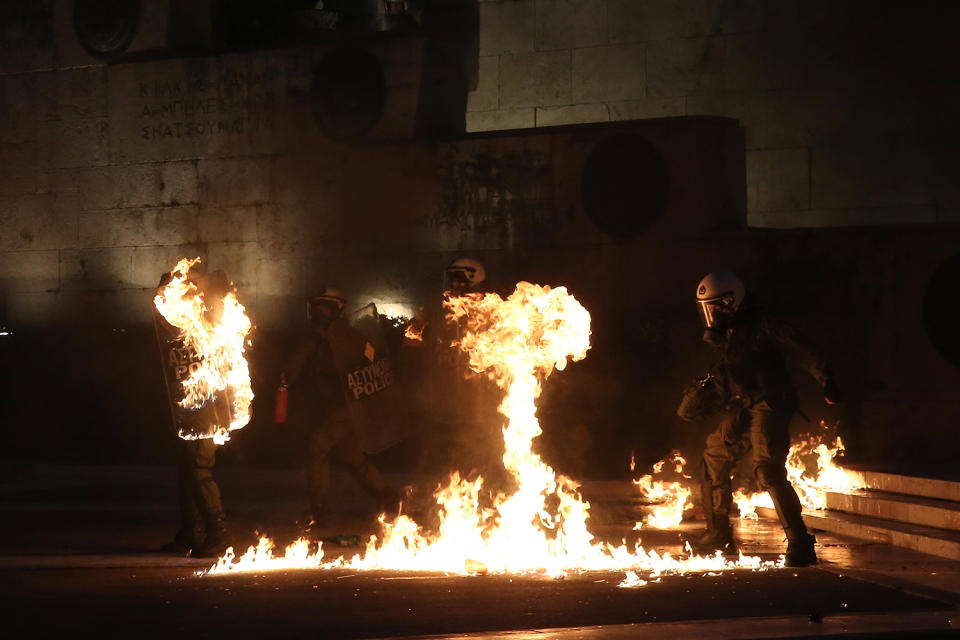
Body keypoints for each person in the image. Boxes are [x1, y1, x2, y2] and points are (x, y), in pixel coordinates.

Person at [679, 271, 842, 567]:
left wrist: (826, 379)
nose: (711, 313)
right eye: (708, 307)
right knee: (713, 457)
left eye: (716, 306)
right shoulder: (726, 334)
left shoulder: (763, 325)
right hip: (743, 404)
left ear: (732, 301)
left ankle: (800, 542)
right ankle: (718, 534)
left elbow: (803, 348)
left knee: (767, 470)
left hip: (770, 403)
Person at [282, 287, 399, 529]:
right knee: (354, 457)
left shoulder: (349, 335)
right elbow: (292, 369)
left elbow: (371, 360)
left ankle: (319, 510)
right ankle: (389, 498)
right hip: (334, 408)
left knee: (318, 446)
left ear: (337, 309)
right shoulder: (315, 338)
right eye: (316, 306)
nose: (318, 311)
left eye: (324, 306)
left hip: (348, 408)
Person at [154, 269, 231, 558]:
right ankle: (192, 534)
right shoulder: (178, 325)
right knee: (187, 471)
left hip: (207, 409)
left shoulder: (210, 323)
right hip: (186, 409)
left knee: (199, 470)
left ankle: (220, 534)